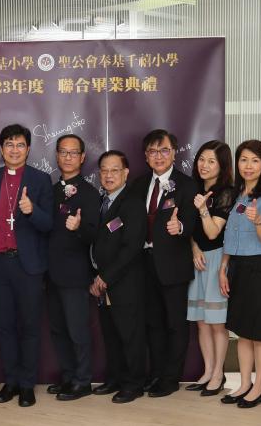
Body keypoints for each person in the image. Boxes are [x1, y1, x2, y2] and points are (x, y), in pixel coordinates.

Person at [0, 123, 54, 408]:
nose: (14, 149)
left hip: (28, 266)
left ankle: (27, 385)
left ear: (28, 149)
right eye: (9, 144)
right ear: (1, 149)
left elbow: (48, 224)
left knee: (30, 327)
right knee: (5, 327)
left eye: (20, 144)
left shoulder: (41, 180)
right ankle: (10, 381)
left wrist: (32, 211)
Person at [219, 140, 261, 409]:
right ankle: (244, 383)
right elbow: (229, 235)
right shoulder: (236, 195)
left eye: (255, 160)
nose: (248, 165)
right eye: (244, 159)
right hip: (237, 267)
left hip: (260, 269)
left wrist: (258, 221)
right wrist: (223, 268)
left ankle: (258, 387)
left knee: (259, 333)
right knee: (242, 332)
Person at [137, 129, 198, 396]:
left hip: (173, 265)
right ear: (146, 156)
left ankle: (171, 378)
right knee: (153, 324)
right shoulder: (139, 185)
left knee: (175, 324)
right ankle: (156, 374)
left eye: (164, 150)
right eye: (152, 151)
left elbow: (192, 223)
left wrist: (180, 227)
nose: (158, 156)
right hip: (145, 264)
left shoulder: (187, 185)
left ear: (174, 153)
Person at [45, 134, 101, 402]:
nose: (68, 157)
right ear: (57, 156)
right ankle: (68, 376)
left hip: (75, 274)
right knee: (58, 329)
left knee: (77, 330)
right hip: (50, 273)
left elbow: (94, 235)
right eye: (63, 152)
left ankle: (83, 380)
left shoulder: (89, 194)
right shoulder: (50, 190)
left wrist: (78, 228)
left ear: (82, 157)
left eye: (73, 153)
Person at [91, 151, 147, 404]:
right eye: (104, 170)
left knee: (130, 335)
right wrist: (97, 276)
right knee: (111, 335)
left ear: (126, 173)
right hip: (104, 283)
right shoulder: (102, 202)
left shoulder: (132, 203)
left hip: (125, 282)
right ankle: (115, 378)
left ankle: (134, 384)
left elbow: (131, 246)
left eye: (115, 170)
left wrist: (105, 277)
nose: (109, 175)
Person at [185, 140, 233, 397]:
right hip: (197, 259)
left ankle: (218, 374)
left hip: (217, 260)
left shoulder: (226, 193)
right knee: (202, 322)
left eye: (211, 161)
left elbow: (213, 232)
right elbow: (190, 231)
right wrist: (194, 248)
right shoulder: (193, 189)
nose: (204, 165)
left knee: (217, 323)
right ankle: (208, 371)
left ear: (222, 166)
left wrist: (203, 209)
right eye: (201, 159)